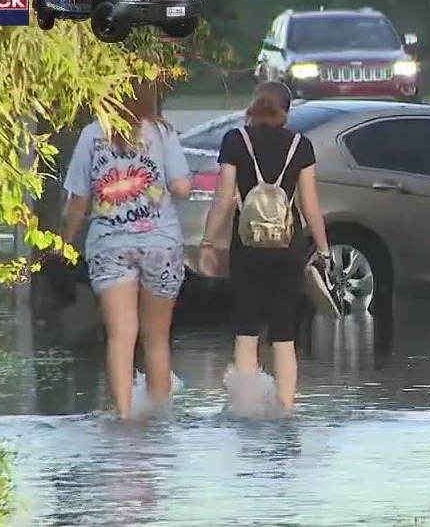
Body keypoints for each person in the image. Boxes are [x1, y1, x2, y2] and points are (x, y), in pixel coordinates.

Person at [198, 82, 331, 415]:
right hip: (288, 249)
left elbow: (224, 197)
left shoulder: (235, 141)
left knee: (246, 329)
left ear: (254, 105)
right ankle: (286, 409)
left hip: (248, 248)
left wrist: (208, 242)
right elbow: (310, 205)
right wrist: (324, 250)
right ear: (286, 110)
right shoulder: (301, 146)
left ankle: (247, 406)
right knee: (285, 334)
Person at [61, 79, 191, 419]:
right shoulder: (162, 133)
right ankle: (159, 416)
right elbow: (182, 186)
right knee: (157, 339)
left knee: (120, 336)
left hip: (109, 245)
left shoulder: (91, 135)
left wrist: (65, 242)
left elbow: (77, 200)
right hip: (160, 245)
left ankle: (123, 415)